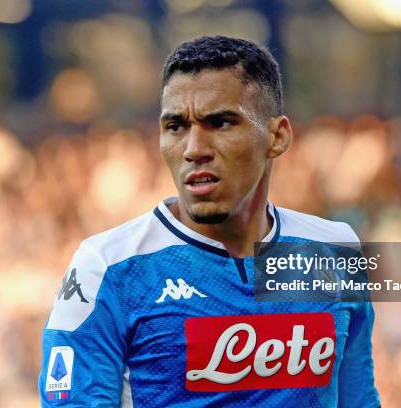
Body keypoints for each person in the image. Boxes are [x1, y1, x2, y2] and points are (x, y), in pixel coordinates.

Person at [38, 35, 381, 407]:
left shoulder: (333, 248)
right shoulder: (107, 266)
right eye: (175, 126)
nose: (194, 149)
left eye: (219, 123)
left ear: (277, 136)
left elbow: (358, 399)